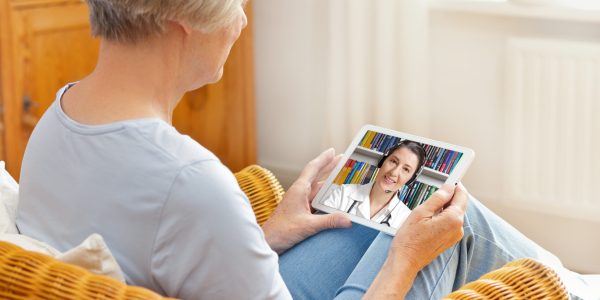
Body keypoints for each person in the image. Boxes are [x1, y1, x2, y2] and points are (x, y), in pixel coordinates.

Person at [14, 0, 596, 299]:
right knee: (443, 228)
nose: (242, 22)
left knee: (392, 218)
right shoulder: (190, 181)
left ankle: (569, 283)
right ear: (181, 26)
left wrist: (265, 235)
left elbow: (150, 249)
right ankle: (569, 287)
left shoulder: (59, 119)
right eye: (234, 3)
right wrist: (405, 261)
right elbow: (179, 210)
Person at [322, 141, 426, 228]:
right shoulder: (343, 193)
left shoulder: (407, 219)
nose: (394, 172)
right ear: (383, 161)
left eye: (406, 169)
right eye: (393, 161)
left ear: (411, 179)